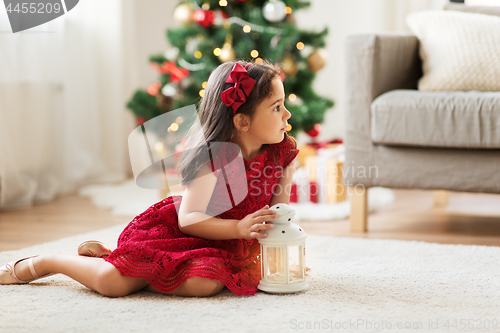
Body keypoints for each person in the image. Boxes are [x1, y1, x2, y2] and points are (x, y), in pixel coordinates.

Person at [0, 59, 299, 297]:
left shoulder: (282, 153)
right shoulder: (214, 158)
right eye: (276, 107)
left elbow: (279, 216)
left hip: (229, 243)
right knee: (112, 285)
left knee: (206, 285)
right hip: (183, 234)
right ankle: (47, 262)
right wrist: (238, 227)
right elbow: (189, 219)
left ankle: (122, 265)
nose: (287, 115)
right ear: (242, 121)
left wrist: (282, 259)